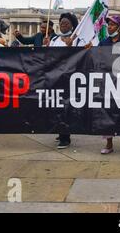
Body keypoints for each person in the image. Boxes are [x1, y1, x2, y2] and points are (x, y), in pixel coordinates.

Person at [45, 13, 85, 149]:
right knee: (56, 107)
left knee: (66, 108)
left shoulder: (77, 40)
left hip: (69, 78)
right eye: (61, 23)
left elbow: (83, 56)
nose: (63, 25)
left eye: (66, 23)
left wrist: (71, 47)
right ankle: (60, 131)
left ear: (72, 25)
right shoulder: (54, 39)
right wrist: (45, 46)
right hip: (55, 77)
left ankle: (65, 137)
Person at [97, 16, 120, 154]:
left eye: (112, 25)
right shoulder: (103, 43)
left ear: (119, 27)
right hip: (107, 82)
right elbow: (97, 58)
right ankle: (109, 144)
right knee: (107, 113)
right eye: (108, 25)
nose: (109, 27)